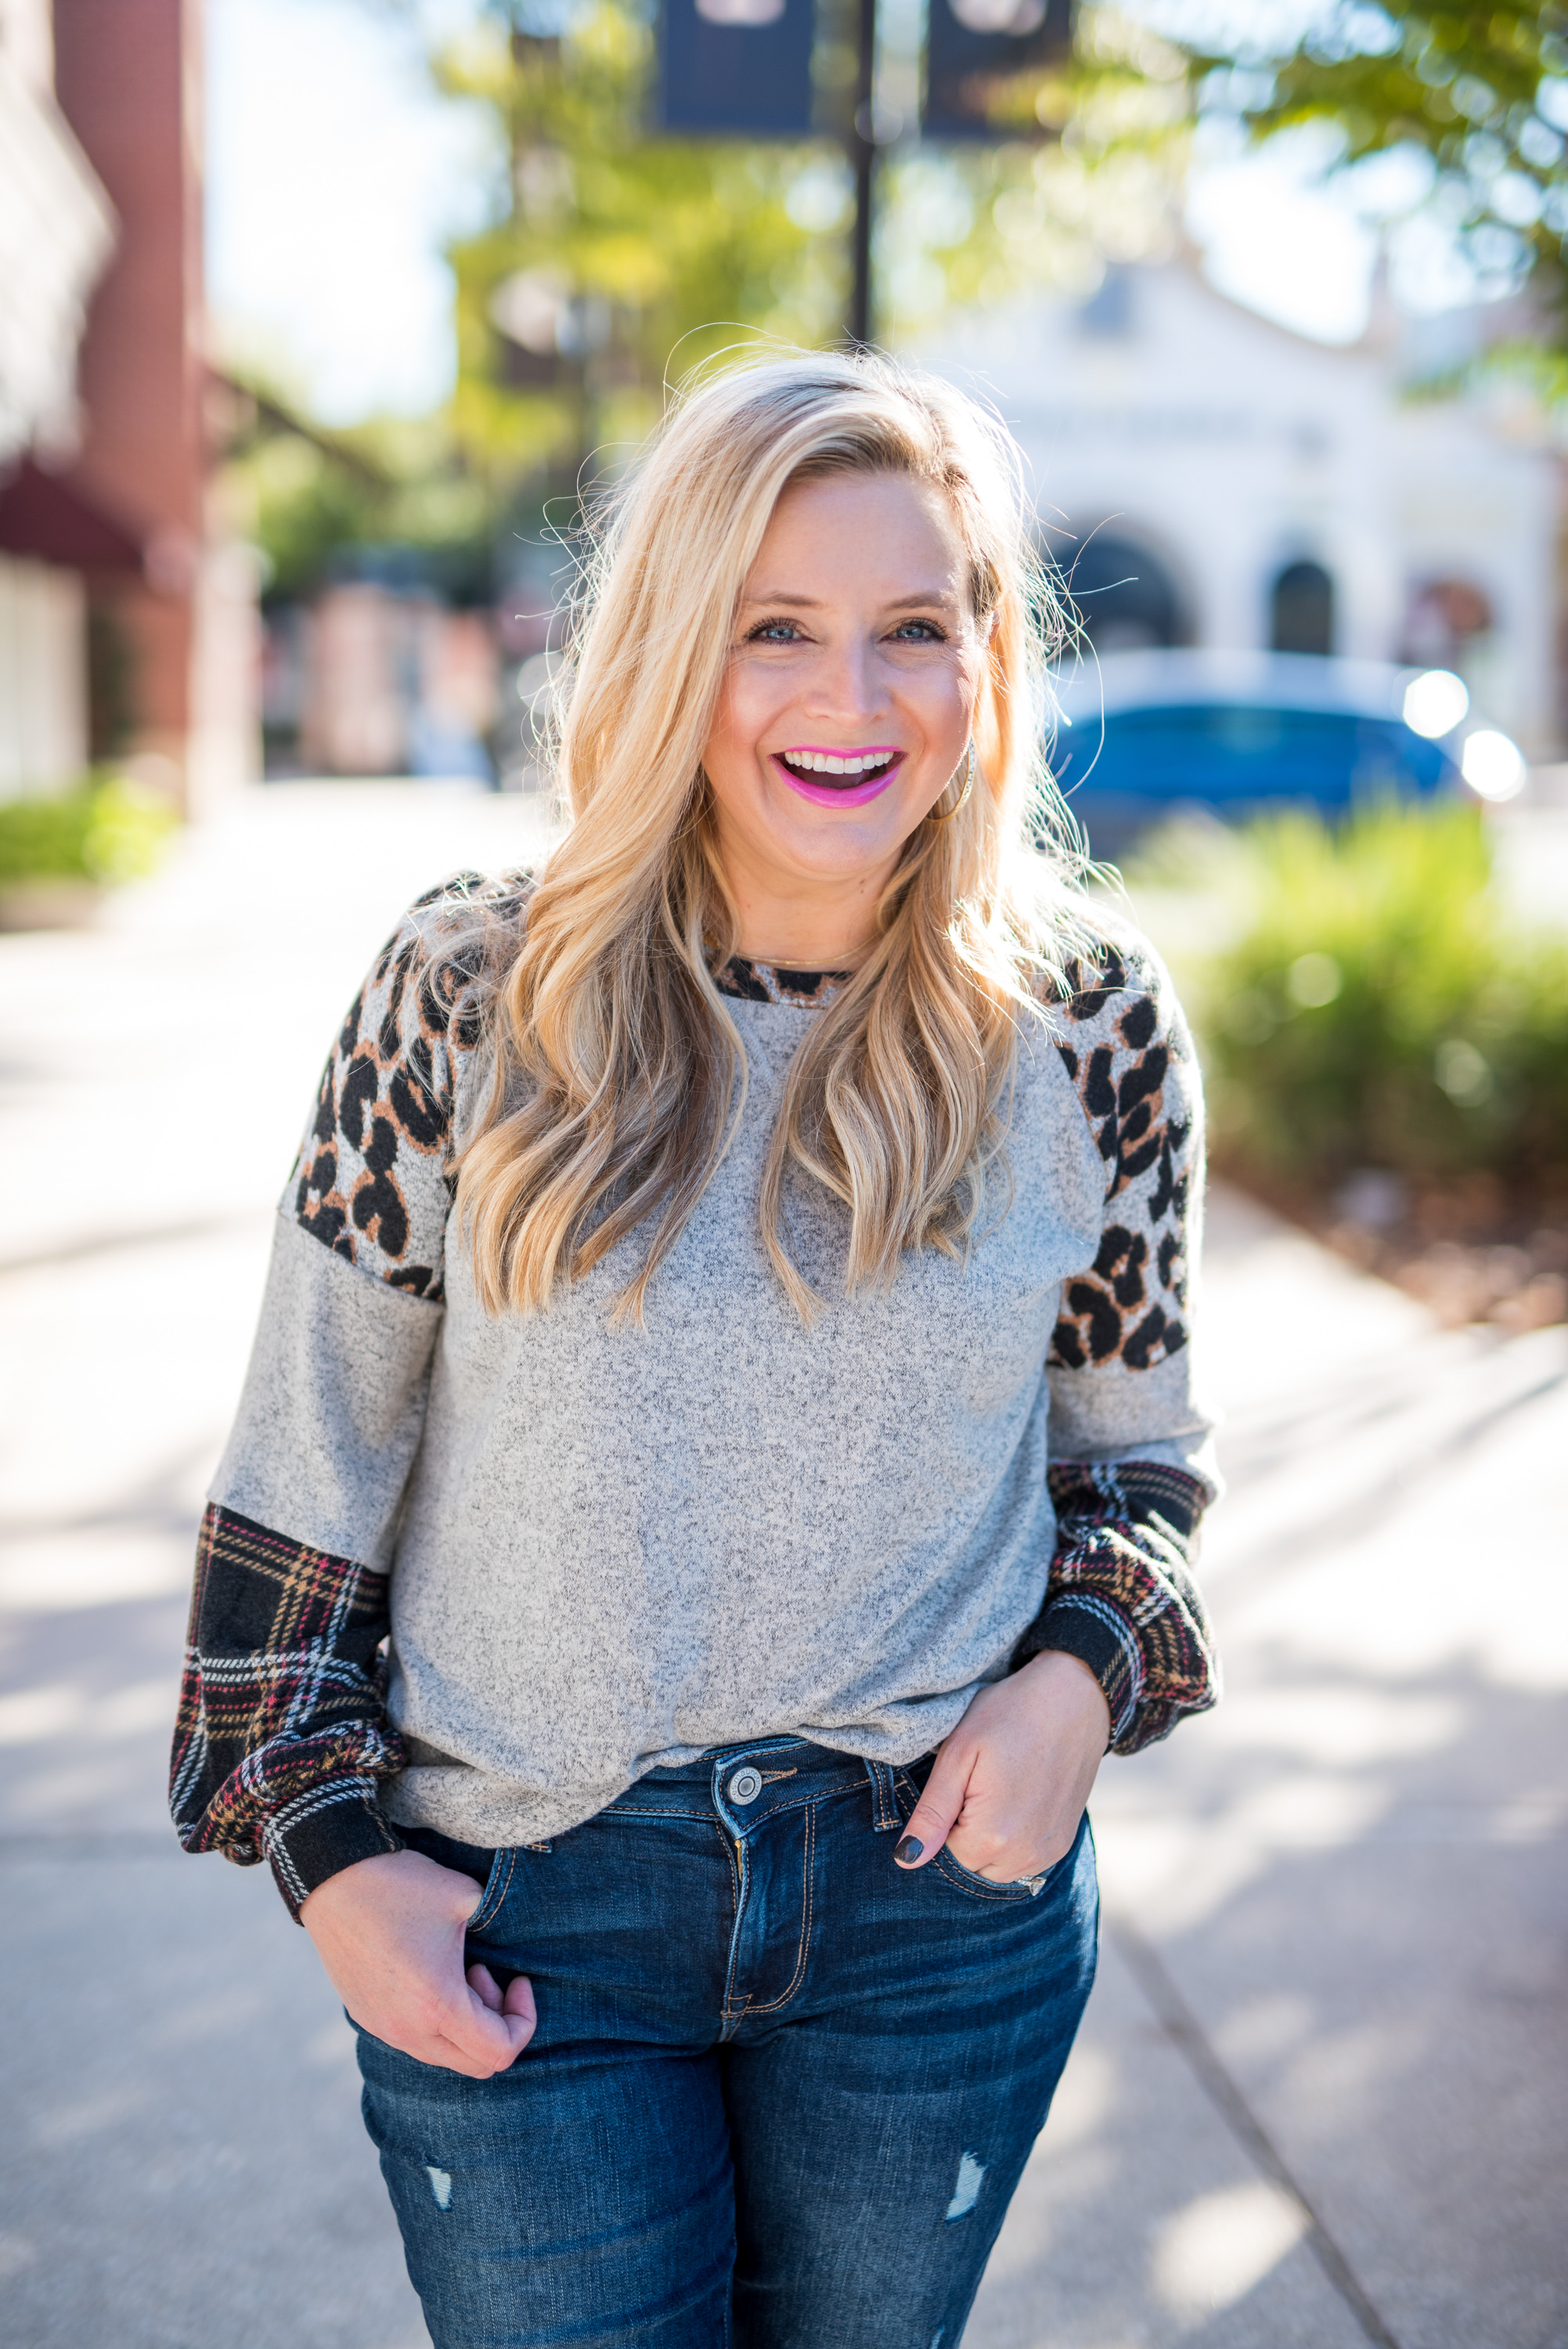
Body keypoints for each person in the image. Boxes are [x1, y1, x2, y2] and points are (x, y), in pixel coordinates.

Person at [170, 351, 1220, 2349]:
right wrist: (326, 1860)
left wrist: (1083, 1684)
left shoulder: (1086, 1023)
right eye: (776, 631)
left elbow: (1138, 1470)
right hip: (527, 1904)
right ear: (670, 652)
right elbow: (305, 1472)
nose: (852, 698)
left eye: (915, 627)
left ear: (987, 661)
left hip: (938, 1921)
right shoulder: (475, 985)